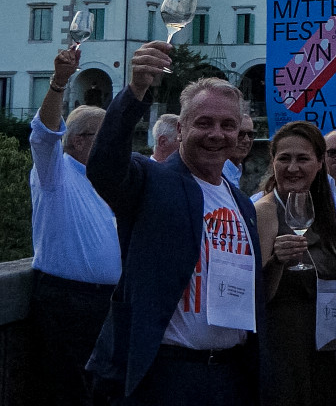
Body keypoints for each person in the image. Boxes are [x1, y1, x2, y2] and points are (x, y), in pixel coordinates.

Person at [87, 41, 264, 405]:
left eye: (228, 125)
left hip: (231, 376)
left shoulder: (243, 203)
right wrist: (136, 90)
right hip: (167, 376)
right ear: (180, 130)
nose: (217, 134)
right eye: (204, 123)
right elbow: (104, 165)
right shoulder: (152, 181)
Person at [28, 48, 122, 406]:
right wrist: (59, 83)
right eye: (105, 136)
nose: (114, 145)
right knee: (69, 393)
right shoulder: (56, 172)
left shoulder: (105, 181)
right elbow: (43, 133)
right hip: (67, 303)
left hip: (104, 303)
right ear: (79, 139)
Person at [255, 121, 336, 406]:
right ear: (272, 162)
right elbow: (255, 297)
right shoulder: (265, 212)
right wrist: (277, 262)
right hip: (284, 352)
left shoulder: (321, 209)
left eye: (302, 158)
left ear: (320, 163)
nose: (293, 167)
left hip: (322, 349)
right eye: (284, 158)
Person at [223, 114, 255, 188]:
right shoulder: (216, 174)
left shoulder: (235, 171)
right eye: (240, 134)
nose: (246, 140)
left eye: (250, 135)